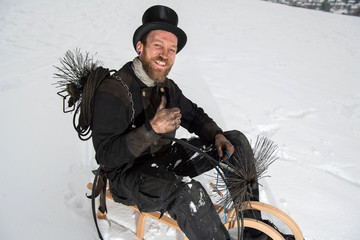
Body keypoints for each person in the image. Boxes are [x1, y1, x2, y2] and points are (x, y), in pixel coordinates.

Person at [91, 5, 294, 240]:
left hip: (164, 160)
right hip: (128, 176)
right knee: (188, 192)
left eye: (171, 49)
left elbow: (194, 116)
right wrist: (152, 130)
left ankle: (253, 230)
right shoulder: (115, 90)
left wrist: (216, 134)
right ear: (140, 47)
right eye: (158, 45)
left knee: (234, 140)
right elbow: (106, 155)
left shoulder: (167, 86)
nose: (164, 54)